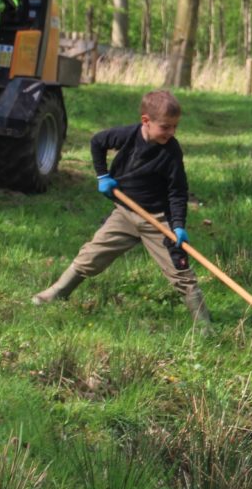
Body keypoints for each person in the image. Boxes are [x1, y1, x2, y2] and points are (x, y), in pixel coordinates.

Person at [32, 90, 211, 327]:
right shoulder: (126, 136)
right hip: (125, 211)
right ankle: (56, 293)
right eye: (166, 127)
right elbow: (97, 142)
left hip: (158, 219)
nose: (172, 133)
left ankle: (205, 327)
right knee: (90, 255)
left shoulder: (171, 152)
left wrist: (177, 226)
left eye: (175, 127)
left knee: (180, 271)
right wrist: (102, 175)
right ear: (146, 121)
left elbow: (177, 191)